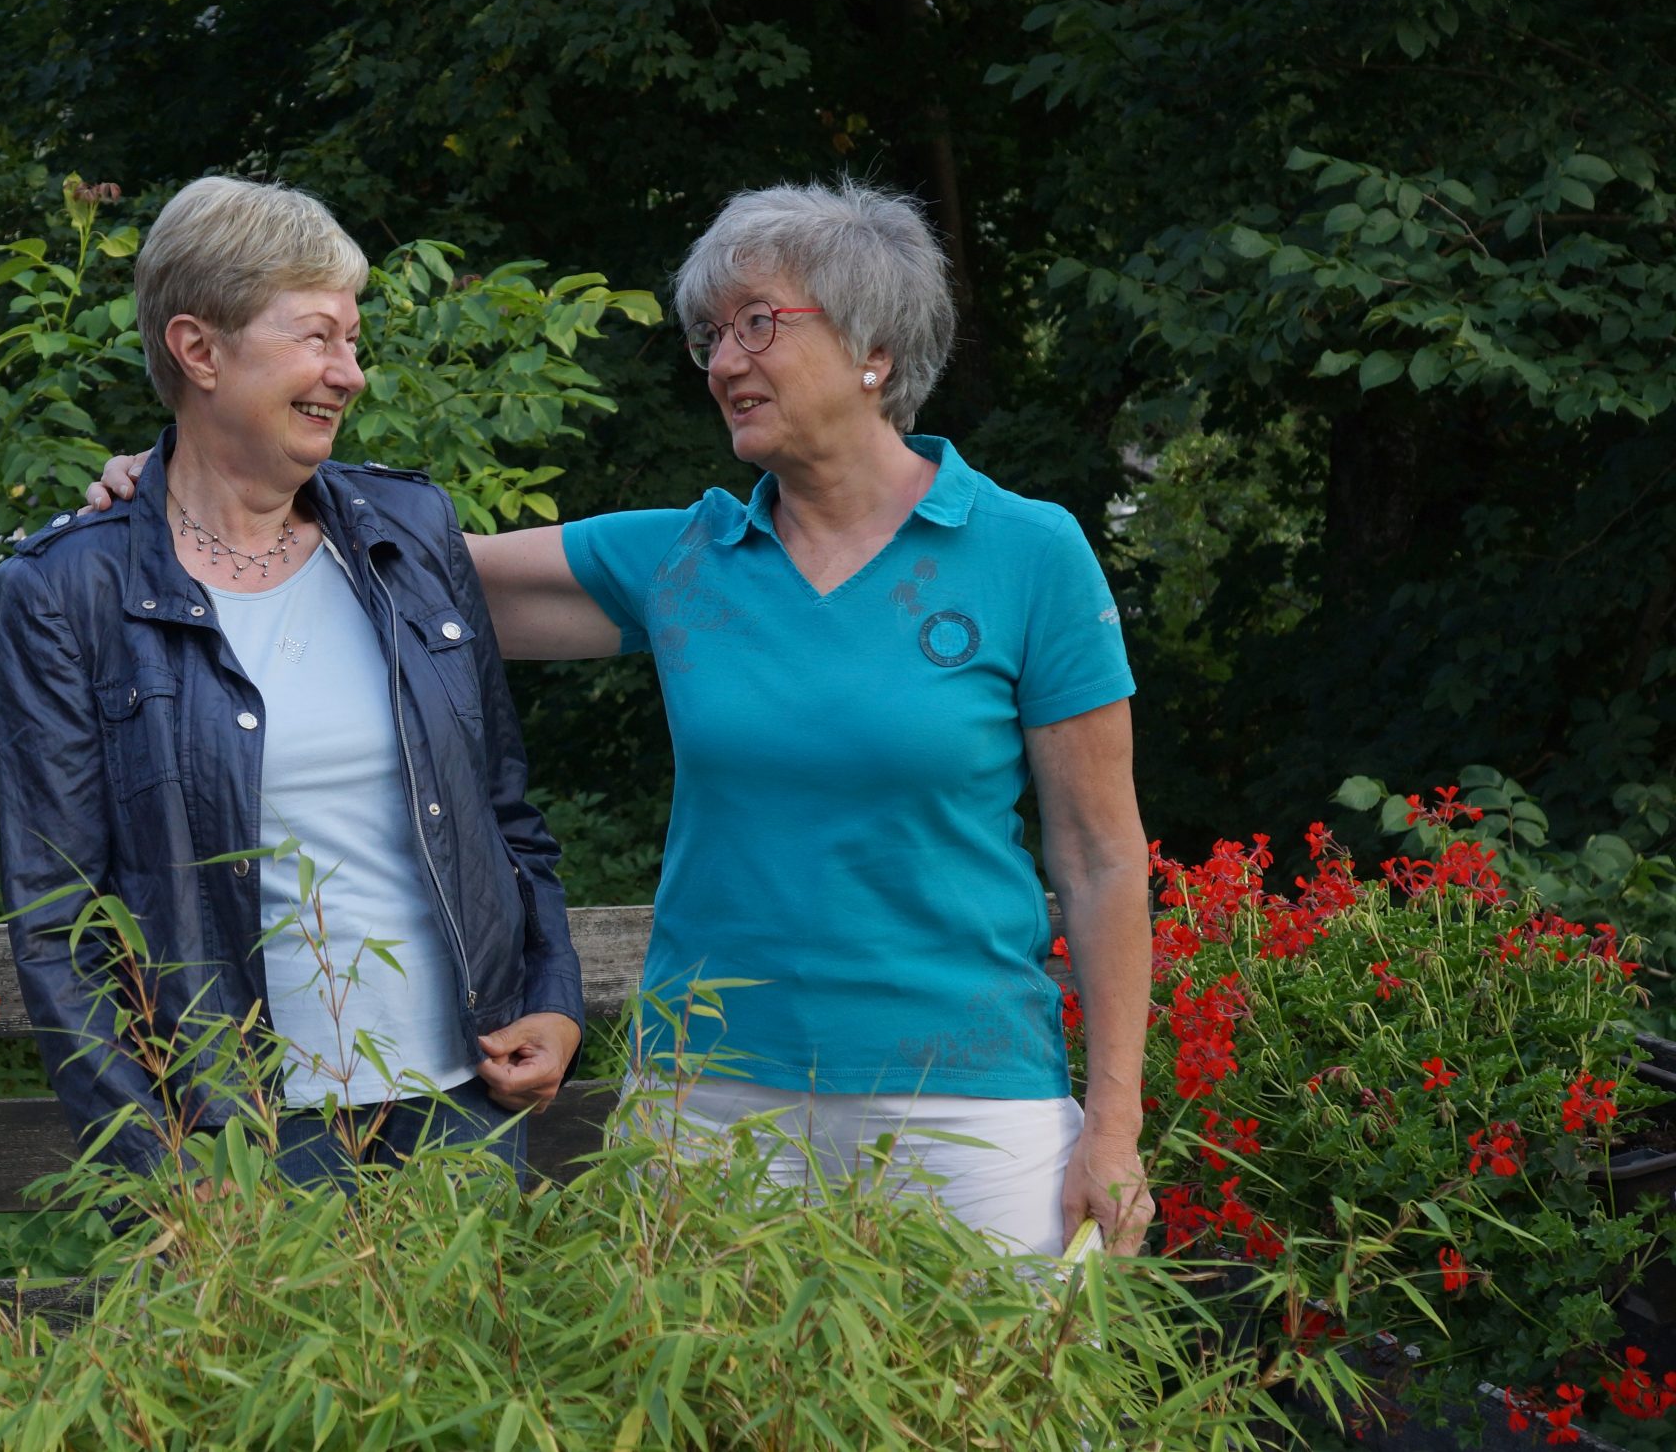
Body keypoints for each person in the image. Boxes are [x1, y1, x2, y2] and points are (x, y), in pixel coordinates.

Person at [93, 180, 1152, 1255]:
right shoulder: (688, 558)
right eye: (709, 335)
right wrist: (185, 493)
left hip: (966, 1102)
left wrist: (1113, 1124)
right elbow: (387, 573)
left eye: (755, 325)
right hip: (710, 1102)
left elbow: (1101, 858)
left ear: (873, 346)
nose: (721, 363)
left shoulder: (1029, 555)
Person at [0, 175, 584, 1189]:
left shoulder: (410, 535)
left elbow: (500, 810)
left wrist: (553, 993)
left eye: (352, 342)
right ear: (199, 349)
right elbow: (62, 927)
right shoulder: (66, 591)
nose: (346, 373)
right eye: (315, 337)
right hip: (241, 1142)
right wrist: (164, 1167)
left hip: (464, 1106)